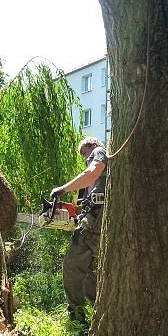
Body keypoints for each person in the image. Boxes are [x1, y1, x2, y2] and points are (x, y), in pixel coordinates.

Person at [51, 136, 107, 324]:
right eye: (83, 155)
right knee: (87, 270)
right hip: (96, 218)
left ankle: (76, 316)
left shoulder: (99, 152)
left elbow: (91, 173)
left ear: (94, 145)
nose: (85, 158)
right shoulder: (94, 179)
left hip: (96, 219)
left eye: (85, 152)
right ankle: (100, 311)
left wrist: (62, 189)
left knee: (72, 265)